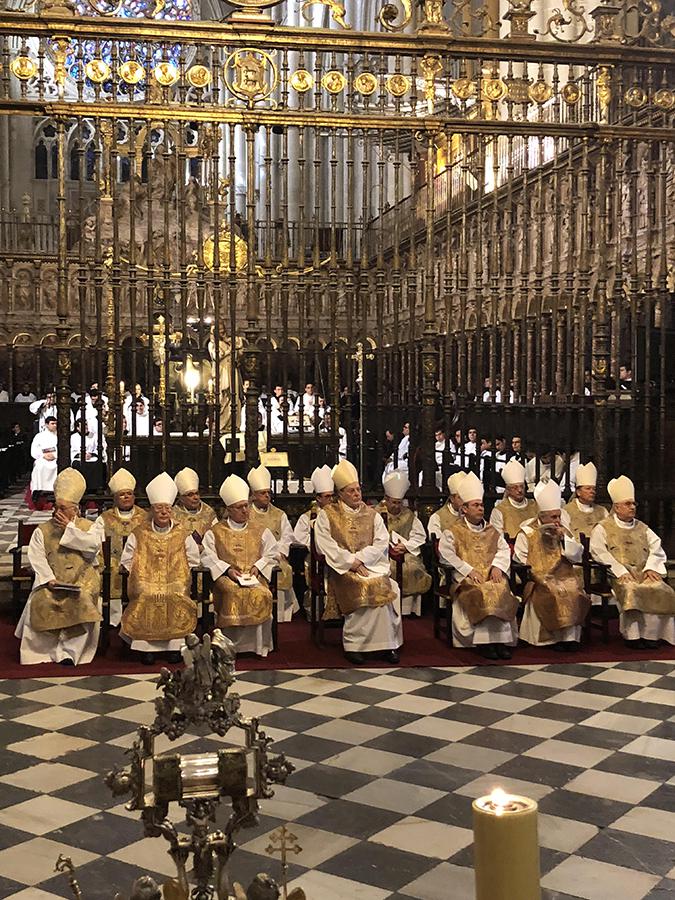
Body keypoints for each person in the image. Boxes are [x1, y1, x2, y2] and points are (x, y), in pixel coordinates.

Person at [314, 459, 403, 664]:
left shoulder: (372, 514)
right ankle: (355, 645)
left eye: (358, 490)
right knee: (362, 586)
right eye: (351, 491)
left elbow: (382, 542)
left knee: (386, 587)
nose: (357, 494)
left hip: (371, 566)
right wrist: (351, 563)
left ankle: (388, 644)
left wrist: (362, 560)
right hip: (342, 569)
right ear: (341, 494)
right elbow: (325, 545)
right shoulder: (327, 515)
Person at [15, 468, 103, 665]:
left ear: (76, 509)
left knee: (83, 598)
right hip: (53, 579)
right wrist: (48, 579)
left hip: (82, 580)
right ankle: (41, 653)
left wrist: (69, 530)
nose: (59, 512)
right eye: (57, 507)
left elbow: (92, 548)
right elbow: (37, 557)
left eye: (65, 509)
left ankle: (70, 653)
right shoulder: (43, 530)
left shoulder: (90, 527)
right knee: (42, 598)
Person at [119, 472, 200, 664]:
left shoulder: (183, 533)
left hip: (175, 580)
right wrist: (138, 577)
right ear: (152, 510)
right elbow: (127, 560)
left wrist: (183, 576)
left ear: (172, 510)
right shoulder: (138, 533)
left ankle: (174, 645)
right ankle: (145, 647)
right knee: (146, 593)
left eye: (167, 508)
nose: (164, 512)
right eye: (159, 508)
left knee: (175, 593)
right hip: (145, 579)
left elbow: (194, 559)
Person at [438, 471, 518, 659]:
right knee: (481, 591)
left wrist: (498, 566)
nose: (481, 508)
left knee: (499, 589)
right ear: (464, 509)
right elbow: (445, 554)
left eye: (482, 505)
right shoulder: (453, 531)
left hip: (491, 574)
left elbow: (504, 550)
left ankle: (501, 640)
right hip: (468, 577)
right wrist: (468, 570)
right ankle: (484, 642)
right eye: (476, 505)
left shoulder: (492, 530)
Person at [590, 475, 675, 648]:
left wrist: (652, 568)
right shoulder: (603, 527)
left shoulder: (643, 527)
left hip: (643, 572)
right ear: (616, 507)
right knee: (631, 589)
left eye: (634, 504)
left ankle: (651, 636)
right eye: (628, 504)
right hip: (618, 575)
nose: (632, 507)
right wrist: (620, 571)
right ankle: (634, 637)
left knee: (660, 588)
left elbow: (656, 549)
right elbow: (599, 552)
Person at [201, 474, 277, 657]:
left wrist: (258, 567)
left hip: (253, 577)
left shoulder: (260, 530)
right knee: (232, 592)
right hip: (228, 578)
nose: (245, 511)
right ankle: (229, 646)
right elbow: (207, 556)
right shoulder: (216, 531)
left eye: (246, 506)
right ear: (229, 509)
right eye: (239, 507)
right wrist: (227, 570)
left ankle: (257, 646)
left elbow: (272, 552)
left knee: (261, 593)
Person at [515, 480, 589, 650]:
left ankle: (569, 639)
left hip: (565, 576)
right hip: (539, 578)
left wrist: (564, 539)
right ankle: (551, 639)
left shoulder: (564, 530)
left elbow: (576, 556)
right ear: (542, 517)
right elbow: (520, 558)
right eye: (553, 517)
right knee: (553, 591)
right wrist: (538, 574)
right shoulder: (527, 532)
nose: (557, 521)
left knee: (571, 590)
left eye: (559, 516)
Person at [95, 468, 146, 627]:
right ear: (115, 498)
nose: (126, 497)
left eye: (129, 494)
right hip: (111, 565)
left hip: (139, 565)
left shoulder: (145, 517)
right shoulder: (103, 519)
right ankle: (113, 620)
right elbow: (96, 544)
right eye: (122, 494)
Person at [247, 465, 298, 622]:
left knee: (284, 568)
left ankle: (280, 614)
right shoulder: (246, 513)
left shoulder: (279, 514)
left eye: (268, 492)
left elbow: (288, 536)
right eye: (263, 493)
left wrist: (279, 552)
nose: (267, 496)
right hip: (252, 557)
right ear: (253, 496)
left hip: (275, 556)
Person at [378, 470, 431, 617]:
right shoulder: (377, 514)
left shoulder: (408, 515)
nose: (397, 506)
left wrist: (406, 546)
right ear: (386, 499)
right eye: (394, 502)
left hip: (406, 553)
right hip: (383, 554)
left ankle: (408, 609)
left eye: (399, 503)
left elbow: (419, 535)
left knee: (413, 569)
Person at [489, 459, 537, 537]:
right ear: (508, 490)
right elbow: (497, 538)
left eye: (522, 486)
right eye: (515, 487)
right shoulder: (500, 511)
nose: (520, 490)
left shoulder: (535, 506)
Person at [563, 462, 608, 540]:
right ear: (578, 492)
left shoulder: (602, 511)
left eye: (594, 489)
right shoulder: (567, 511)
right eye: (588, 488)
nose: (592, 491)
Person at [173, 467, 217, 539]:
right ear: (181, 498)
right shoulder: (173, 515)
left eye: (197, 493)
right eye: (190, 495)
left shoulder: (209, 513)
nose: (196, 497)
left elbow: (216, 537)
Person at [428, 471, 466, 539]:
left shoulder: (473, 515)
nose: (464, 501)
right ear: (452, 499)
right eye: (460, 497)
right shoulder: (437, 517)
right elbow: (438, 542)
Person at [29, 415, 58, 494]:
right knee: (39, 466)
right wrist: (43, 455)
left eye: (55, 424)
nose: (54, 425)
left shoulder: (59, 436)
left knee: (57, 466)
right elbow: (34, 449)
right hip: (42, 458)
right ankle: (39, 489)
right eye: (52, 424)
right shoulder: (39, 436)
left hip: (55, 458)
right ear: (46, 424)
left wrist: (54, 455)